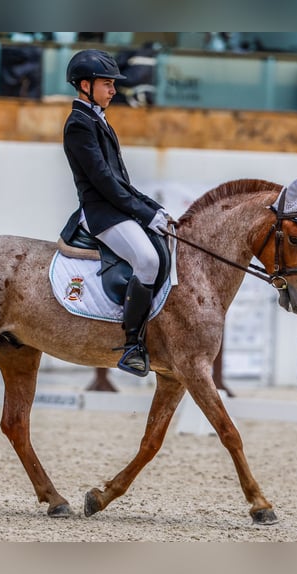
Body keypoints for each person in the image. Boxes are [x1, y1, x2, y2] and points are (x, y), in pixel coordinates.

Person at [59, 49, 171, 377]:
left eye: (113, 84)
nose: (113, 90)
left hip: (118, 208)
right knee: (148, 261)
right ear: (84, 85)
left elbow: (122, 181)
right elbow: (105, 183)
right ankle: (132, 345)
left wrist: (155, 209)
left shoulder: (97, 119)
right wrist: (146, 215)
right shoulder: (79, 124)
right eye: (107, 84)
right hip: (102, 214)